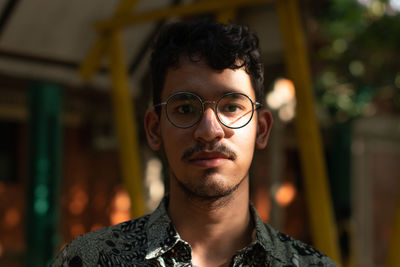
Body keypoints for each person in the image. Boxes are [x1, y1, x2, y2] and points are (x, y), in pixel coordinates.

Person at [52, 20, 337, 267]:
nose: (209, 131)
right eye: (185, 109)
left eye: (232, 107)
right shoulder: (89, 260)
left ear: (261, 129)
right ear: (154, 129)